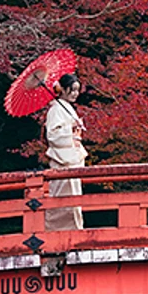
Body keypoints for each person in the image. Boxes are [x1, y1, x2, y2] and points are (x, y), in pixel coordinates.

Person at [42, 74, 86, 231]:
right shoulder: (55, 110)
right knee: (62, 198)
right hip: (63, 159)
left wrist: (76, 128)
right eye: (72, 90)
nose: (75, 93)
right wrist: (72, 129)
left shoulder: (66, 108)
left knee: (74, 200)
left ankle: (75, 231)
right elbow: (52, 135)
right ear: (63, 89)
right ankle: (57, 233)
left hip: (72, 156)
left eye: (77, 90)